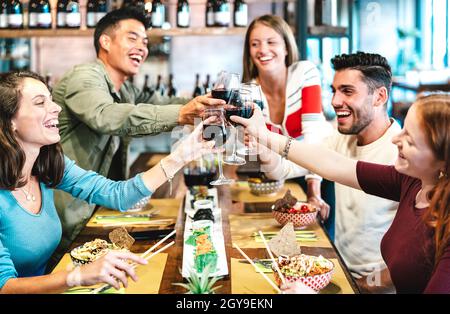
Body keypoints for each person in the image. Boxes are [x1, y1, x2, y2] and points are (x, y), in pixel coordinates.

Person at [0, 70, 216, 293]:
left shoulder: (48, 166)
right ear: (9, 121)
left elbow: (117, 194)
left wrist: (183, 155)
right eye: (40, 103)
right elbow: (4, 286)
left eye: (51, 99)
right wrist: (76, 276)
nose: (56, 108)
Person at [50, 7, 225, 268]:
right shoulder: (84, 77)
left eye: (145, 41)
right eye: (132, 38)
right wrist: (183, 113)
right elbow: (106, 115)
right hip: (71, 222)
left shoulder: (126, 89)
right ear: (105, 41)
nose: (142, 48)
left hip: (102, 208)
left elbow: (165, 102)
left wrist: (206, 102)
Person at [232, 92, 450, 293]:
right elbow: (333, 165)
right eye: (402, 129)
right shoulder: (412, 181)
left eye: (409, 140)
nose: (395, 139)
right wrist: (265, 135)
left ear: (442, 161)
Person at [259, 52, 400, 293]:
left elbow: (418, 259)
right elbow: (295, 165)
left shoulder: (403, 156)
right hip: (338, 269)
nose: (334, 101)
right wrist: (260, 139)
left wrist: (360, 286)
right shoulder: (340, 139)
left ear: (379, 96)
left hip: (372, 287)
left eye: (347, 91)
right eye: (334, 90)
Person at [242, 14, 331, 219]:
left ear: (286, 47)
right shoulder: (249, 92)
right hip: (278, 180)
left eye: (271, 42)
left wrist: (313, 193)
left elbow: (314, 140)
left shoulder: (305, 73)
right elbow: (261, 154)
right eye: (255, 44)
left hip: (319, 178)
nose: (263, 50)